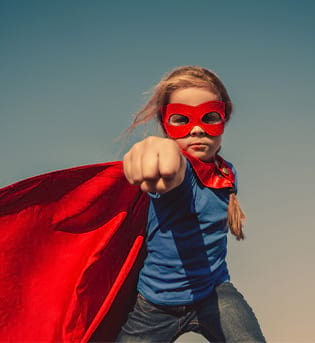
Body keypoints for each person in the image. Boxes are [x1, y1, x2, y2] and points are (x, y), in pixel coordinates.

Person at [116, 66, 266, 342]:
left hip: (214, 293)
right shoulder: (180, 171)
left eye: (209, 117)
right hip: (155, 305)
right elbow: (172, 165)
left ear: (224, 120)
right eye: (181, 119)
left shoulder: (226, 172)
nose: (197, 129)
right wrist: (157, 151)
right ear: (166, 127)